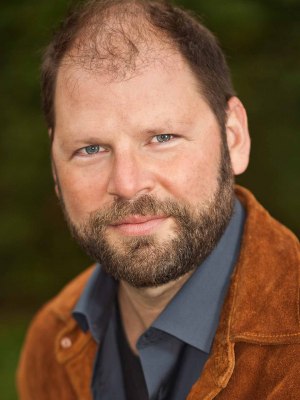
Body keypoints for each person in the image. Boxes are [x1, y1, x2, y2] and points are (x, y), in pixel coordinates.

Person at [17, 0, 299, 399]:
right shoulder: (50, 342)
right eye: (91, 149)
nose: (128, 184)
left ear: (233, 137)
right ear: (54, 165)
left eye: (162, 138)